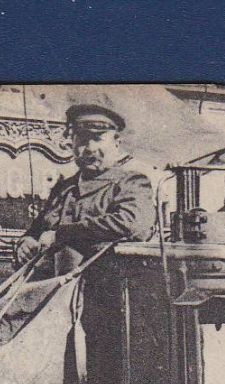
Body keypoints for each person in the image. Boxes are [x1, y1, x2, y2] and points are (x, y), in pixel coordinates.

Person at [13, 104, 157, 276]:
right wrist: (26, 242)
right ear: (71, 143)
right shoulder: (63, 188)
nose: (89, 148)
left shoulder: (131, 183)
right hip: (50, 288)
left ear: (116, 143)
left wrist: (61, 235)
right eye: (81, 139)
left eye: (97, 139)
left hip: (102, 290)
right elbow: (37, 230)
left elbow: (131, 224)